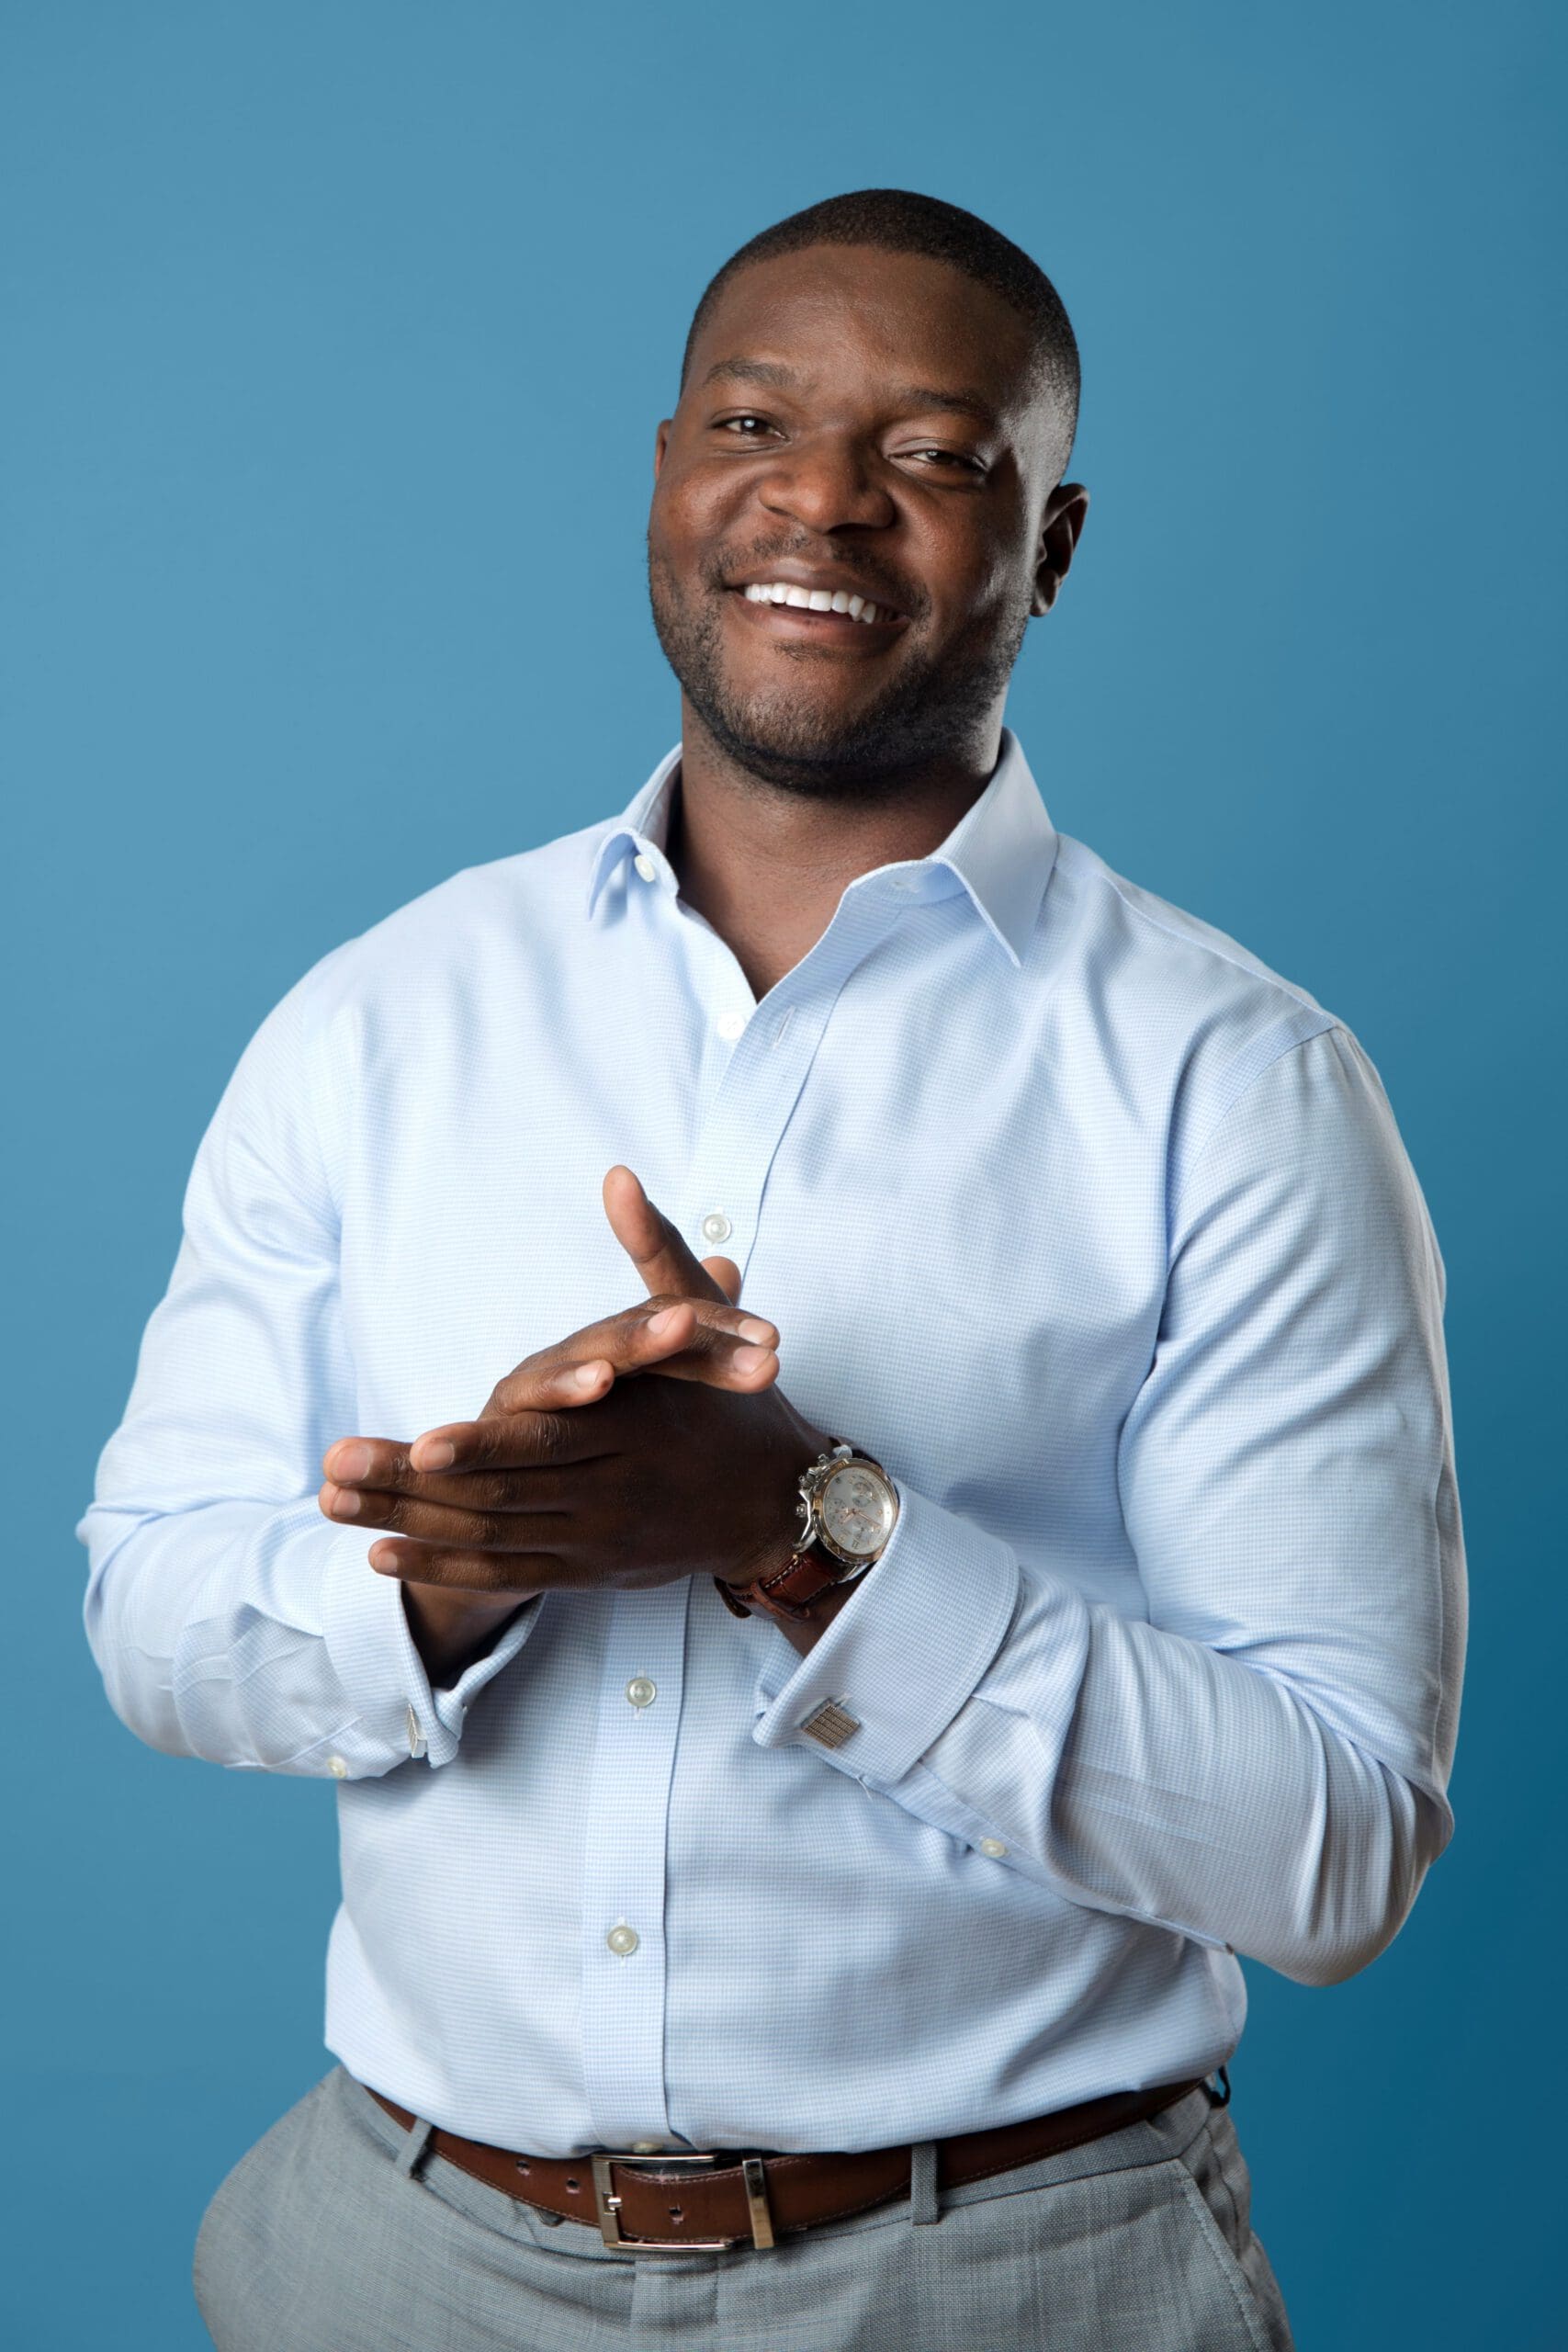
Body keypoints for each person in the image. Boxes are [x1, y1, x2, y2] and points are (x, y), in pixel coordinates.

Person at [78, 187, 1465, 2352]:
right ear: (664, 472)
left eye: (929, 451)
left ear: (1048, 543)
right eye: (752, 420)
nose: (817, 496)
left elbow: (1333, 1847)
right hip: (396, 2261)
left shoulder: (1236, 1084)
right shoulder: (379, 1015)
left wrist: (805, 1531)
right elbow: (149, 1609)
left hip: (1008, 2276)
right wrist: (461, 1564)